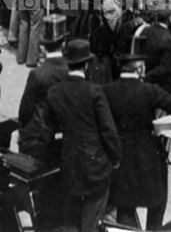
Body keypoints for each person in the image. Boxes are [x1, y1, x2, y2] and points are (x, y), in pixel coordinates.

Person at [37, 39, 122, 232]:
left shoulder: (54, 93)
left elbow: (47, 130)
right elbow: (108, 130)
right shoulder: (94, 91)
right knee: (92, 218)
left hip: (70, 163)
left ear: (68, 63)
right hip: (96, 164)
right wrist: (115, 158)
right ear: (86, 64)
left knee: (71, 217)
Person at [103, 47, 171, 230]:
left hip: (120, 153)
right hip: (149, 153)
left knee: (125, 203)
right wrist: (161, 127)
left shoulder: (107, 91)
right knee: (157, 202)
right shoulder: (151, 90)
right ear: (140, 69)